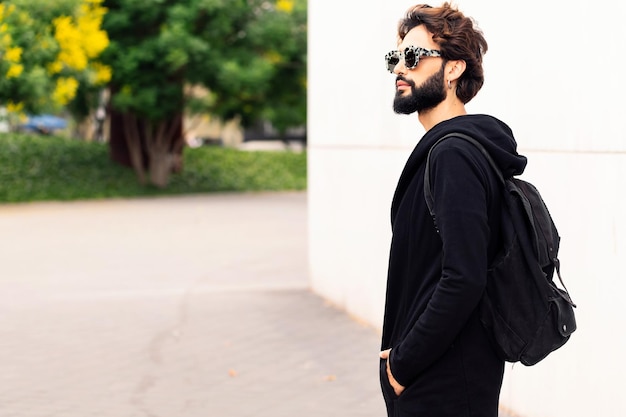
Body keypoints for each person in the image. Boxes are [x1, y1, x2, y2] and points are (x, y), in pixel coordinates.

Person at [379, 3, 527, 417]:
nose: (398, 69)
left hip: (444, 382)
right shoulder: (455, 150)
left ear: (453, 69)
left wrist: (404, 363)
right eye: (395, 57)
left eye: (413, 57)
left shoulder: (455, 155)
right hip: (443, 376)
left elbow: (464, 277)